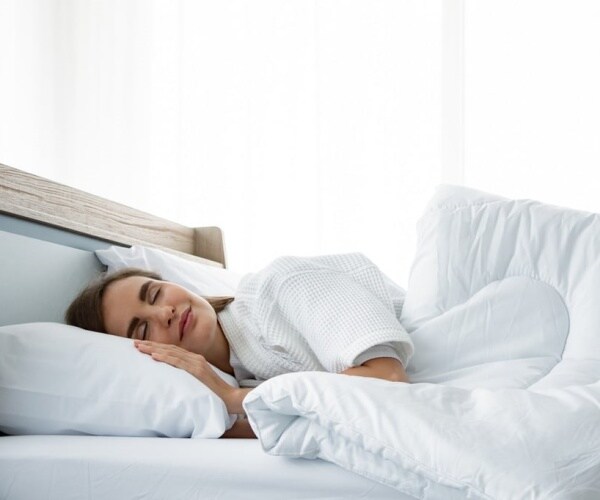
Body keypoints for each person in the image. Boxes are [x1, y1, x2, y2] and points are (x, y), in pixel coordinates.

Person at [66, 253, 414, 438]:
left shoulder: (279, 286)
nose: (165, 313)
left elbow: (387, 379)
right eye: (143, 329)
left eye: (156, 294)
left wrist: (235, 399)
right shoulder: (227, 381)